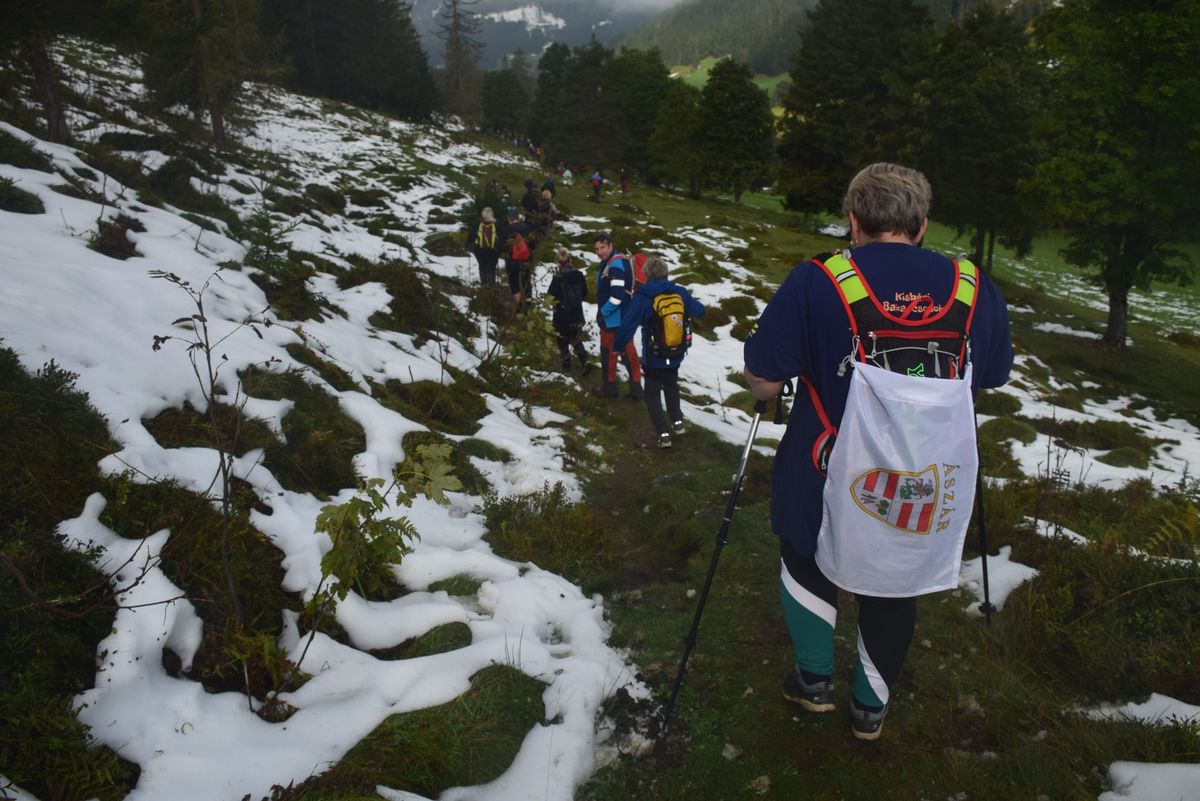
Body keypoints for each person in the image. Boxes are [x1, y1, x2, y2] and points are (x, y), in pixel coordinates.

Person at [742, 163, 1013, 741]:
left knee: (805, 556)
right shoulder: (972, 285)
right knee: (894, 583)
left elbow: (764, 380)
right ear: (921, 225)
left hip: (822, 462)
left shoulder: (819, 278)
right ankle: (870, 709)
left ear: (853, 220)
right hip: (926, 474)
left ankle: (814, 682)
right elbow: (991, 375)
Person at [613, 256, 705, 448]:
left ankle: (663, 433)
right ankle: (678, 424)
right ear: (665, 272)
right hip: (676, 353)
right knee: (672, 385)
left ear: (646, 274)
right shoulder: (679, 292)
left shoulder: (644, 296)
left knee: (653, 392)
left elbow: (628, 324)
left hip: (653, 355)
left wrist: (618, 346)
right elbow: (700, 310)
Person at [592, 230, 642, 398]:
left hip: (614, 318)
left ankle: (609, 389)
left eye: (603, 247)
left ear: (610, 245)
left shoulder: (615, 266)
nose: (599, 252)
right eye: (597, 249)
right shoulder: (618, 261)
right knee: (629, 353)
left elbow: (617, 295)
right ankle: (636, 389)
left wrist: (603, 313)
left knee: (608, 354)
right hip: (625, 316)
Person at [547, 246, 591, 374]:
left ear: (557, 262)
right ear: (570, 260)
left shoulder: (558, 276)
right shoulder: (579, 275)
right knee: (576, 338)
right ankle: (585, 361)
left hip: (561, 313)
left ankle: (566, 364)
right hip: (576, 313)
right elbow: (585, 292)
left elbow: (551, 295)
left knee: (562, 339)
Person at [500, 207, 533, 309]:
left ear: (508, 218)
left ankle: (518, 305)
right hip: (526, 259)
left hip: (511, 260)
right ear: (517, 217)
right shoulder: (527, 228)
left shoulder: (506, 230)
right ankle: (528, 302)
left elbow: (501, 245)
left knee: (514, 281)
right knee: (526, 279)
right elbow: (532, 243)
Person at [467, 207, 501, 286]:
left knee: (482, 266)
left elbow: (471, 237)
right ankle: (491, 285)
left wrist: (470, 246)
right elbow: (501, 236)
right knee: (491, 268)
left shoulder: (477, 223)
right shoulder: (496, 224)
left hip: (479, 250)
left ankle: (484, 285)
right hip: (493, 250)